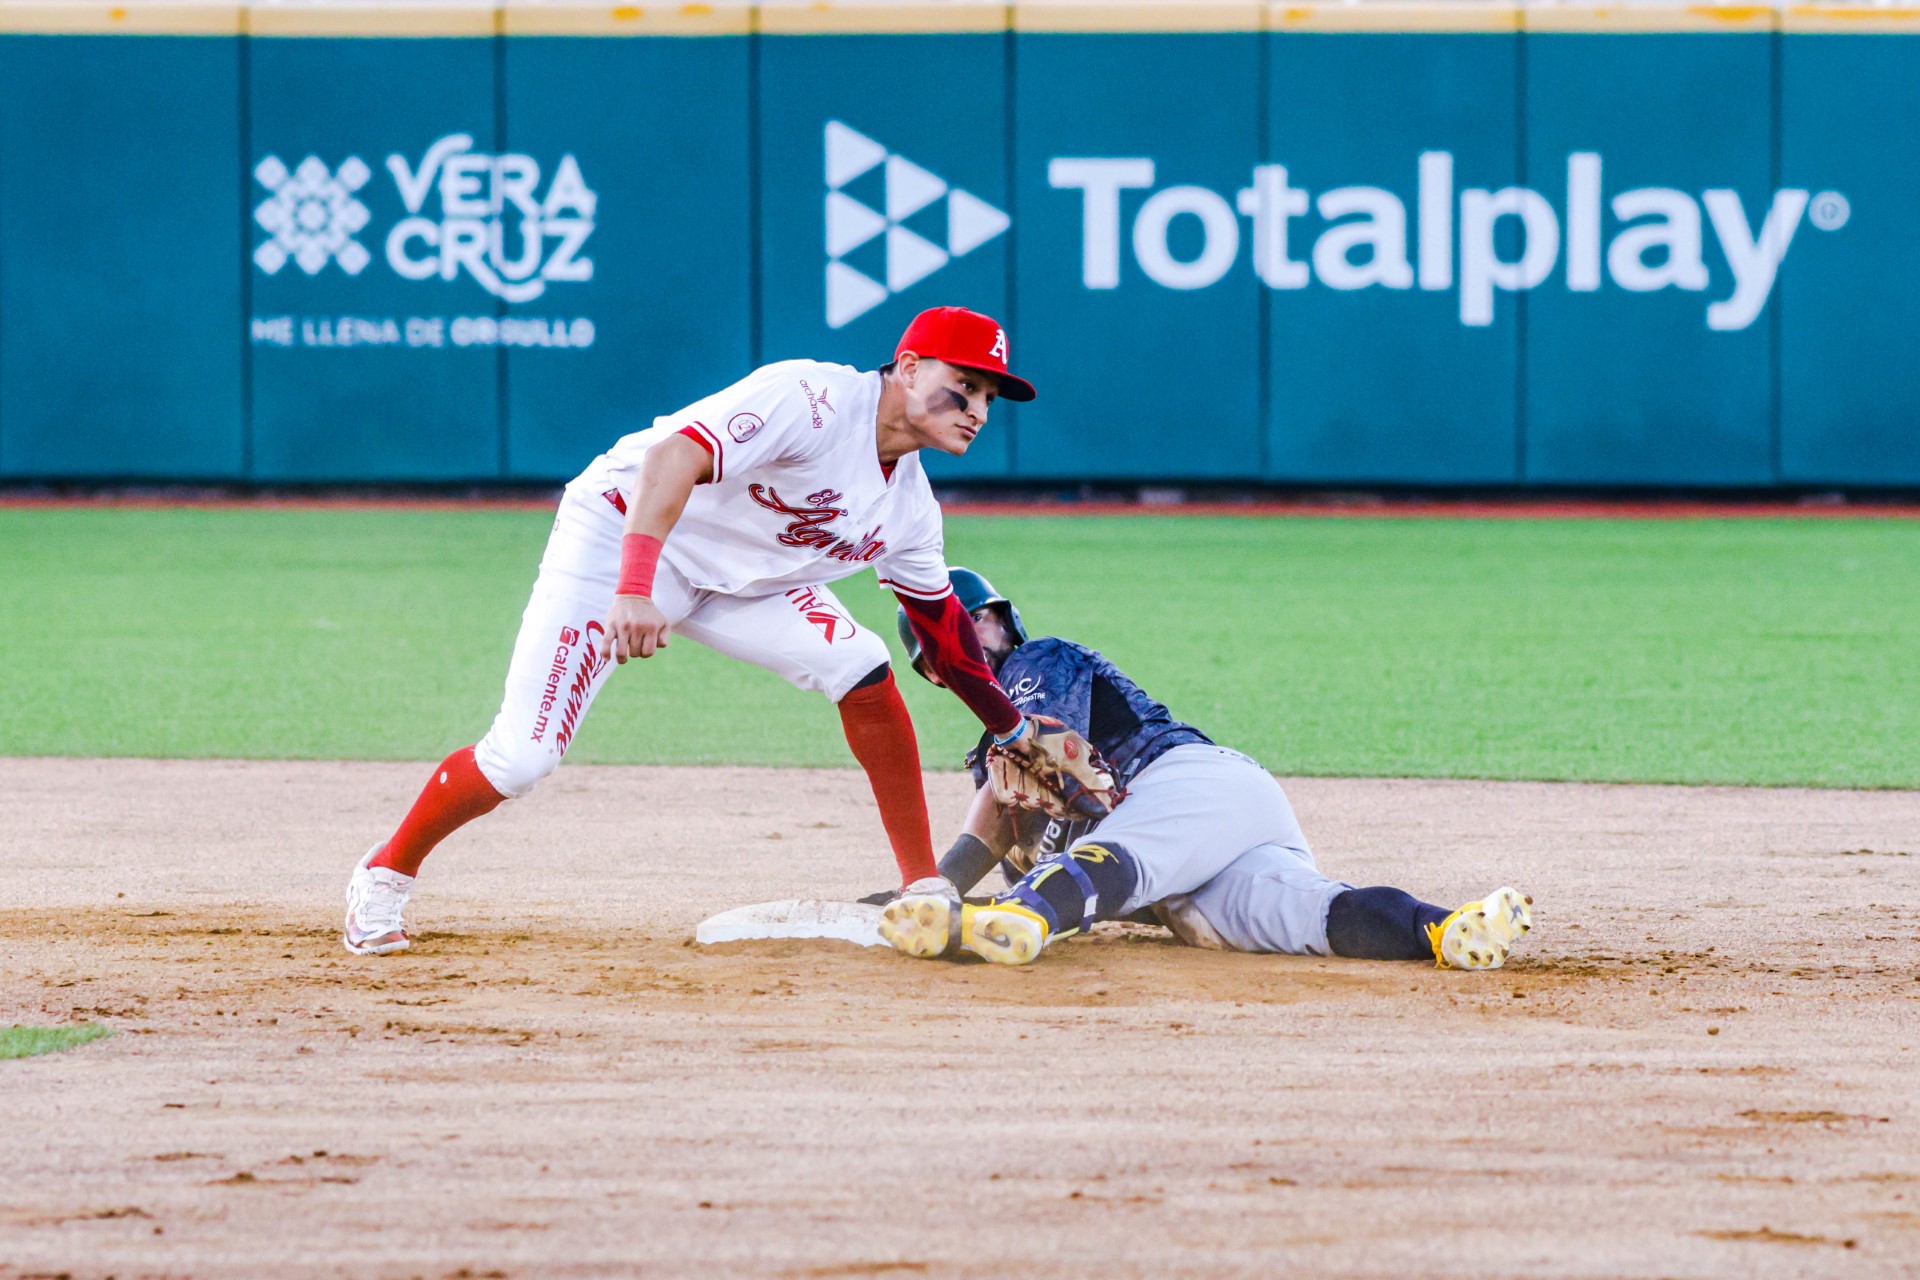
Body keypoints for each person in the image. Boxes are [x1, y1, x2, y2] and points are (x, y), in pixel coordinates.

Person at [344, 308, 1084, 956]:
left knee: (860, 662)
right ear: (911, 366)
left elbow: (946, 637)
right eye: (967, 384)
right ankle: (385, 873)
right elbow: (674, 456)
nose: (979, 408)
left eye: (990, 397)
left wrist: (1013, 728)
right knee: (522, 757)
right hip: (625, 534)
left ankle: (924, 886)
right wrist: (634, 588)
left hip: (744, 582)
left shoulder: (912, 510)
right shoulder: (816, 399)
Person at [875, 568, 1534, 970]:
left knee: (1106, 854)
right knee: (1307, 916)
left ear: (995, 621)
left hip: (1188, 782)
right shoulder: (989, 759)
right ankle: (1447, 929)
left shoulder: (1037, 660)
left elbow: (1047, 745)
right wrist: (925, 893)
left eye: (962, 623)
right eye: (935, 644)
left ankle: (1028, 919)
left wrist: (974, 892)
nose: (952, 646)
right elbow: (985, 838)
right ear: (931, 671)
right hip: (1195, 865)